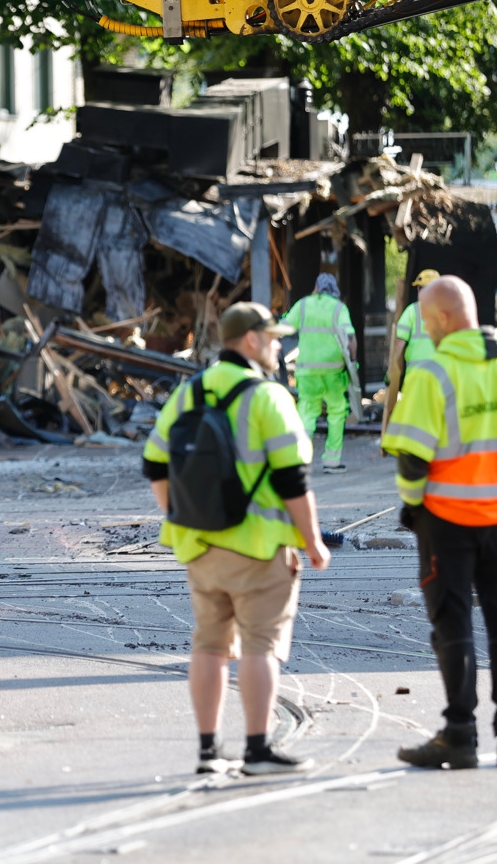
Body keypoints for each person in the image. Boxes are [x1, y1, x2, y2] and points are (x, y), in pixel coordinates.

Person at [380, 276, 497, 769]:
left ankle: (459, 735)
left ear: (442, 317)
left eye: (423, 316)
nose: (420, 325)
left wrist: (413, 507)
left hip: (446, 522)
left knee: (453, 626)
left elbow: (411, 459)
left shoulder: (432, 372)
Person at [142, 302, 330, 776]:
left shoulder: (189, 391)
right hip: (260, 546)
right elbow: (292, 480)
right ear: (250, 340)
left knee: (207, 646)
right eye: (271, 337)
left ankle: (208, 752)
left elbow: (153, 465)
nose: (278, 345)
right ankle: (258, 750)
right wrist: (312, 542)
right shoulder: (269, 398)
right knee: (259, 648)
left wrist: (177, 516)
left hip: (200, 546)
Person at [281, 272, 357, 473]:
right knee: (337, 411)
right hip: (334, 371)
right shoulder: (339, 308)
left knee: (307, 411)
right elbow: (349, 336)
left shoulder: (303, 305)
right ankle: (332, 461)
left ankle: (300, 460)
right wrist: (353, 363)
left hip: (306, 371)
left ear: (316, 287)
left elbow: (284, 329)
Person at [393, 269, 441, 367]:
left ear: (419, 289)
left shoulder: (412, 311)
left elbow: (399, 343)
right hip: (440, 372)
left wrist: (394, 370)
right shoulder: (447, 311)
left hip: (416, 372)